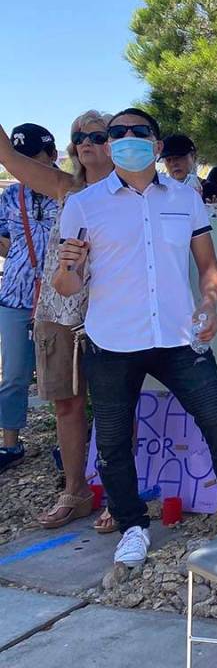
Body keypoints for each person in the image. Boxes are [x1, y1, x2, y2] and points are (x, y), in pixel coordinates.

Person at [55, 108, 217, 567]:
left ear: (157, 144)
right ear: (107, 145)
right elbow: (67, 285)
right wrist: (68, 267)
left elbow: (208, 267)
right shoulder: (83, 205)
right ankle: (131, 525)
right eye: (117, 133)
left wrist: (209, 303)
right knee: (111, 439)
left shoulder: (185, 199)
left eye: (138, 132)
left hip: (179, 336)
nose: (127, 138)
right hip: (112, 341)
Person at [0, 112, 119, 529]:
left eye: (96, 135)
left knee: (113, 408)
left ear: (114, 141)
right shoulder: (65, 188)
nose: (85, 142)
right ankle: (76, 491)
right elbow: (9, 157)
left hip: (112, 313)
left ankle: (118, 495)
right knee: (66, 404)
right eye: (78, 136)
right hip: (58, 311)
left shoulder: (133, 194)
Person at [0, 124, 59, 472]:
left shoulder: (68, 191)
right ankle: (10, 444)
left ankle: (64, 444)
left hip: (60, 301)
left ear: (51, 156)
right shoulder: (9, 198)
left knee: (62, 376)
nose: (27, 167)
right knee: (14, 375)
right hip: (14, 296)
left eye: (32, 158)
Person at [160, 135, 217, 208]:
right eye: (168, 160)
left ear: (193, 156)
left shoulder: (216, 192)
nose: (173, 163)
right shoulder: (159, 193)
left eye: (178, 157)